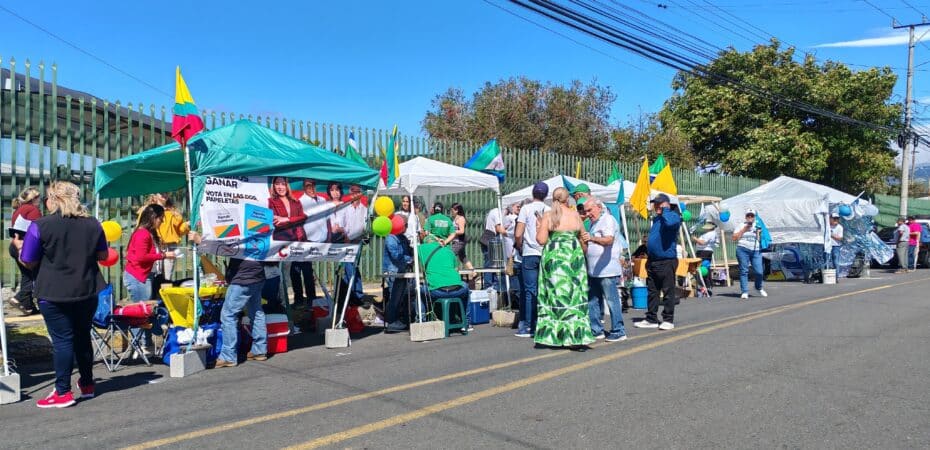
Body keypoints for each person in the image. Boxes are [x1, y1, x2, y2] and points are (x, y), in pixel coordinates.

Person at [19, 181, 108, 408]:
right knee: (83, 337)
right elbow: (102, 255)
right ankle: (87, 384)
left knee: (62, 341)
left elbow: (28, 260)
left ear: (55, 199)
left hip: (54, 291)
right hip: (87, 289)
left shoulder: (40, 225)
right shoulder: (93, 224)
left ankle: (63, 392)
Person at [534, 187, 595, 350]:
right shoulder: (575, 215)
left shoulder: (548, 216)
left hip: (554, 259)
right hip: (573, 258)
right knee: (575, 294)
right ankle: (576, 336)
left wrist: (539, 227)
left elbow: (541, 240)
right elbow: (583, 238)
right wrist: (581, 249)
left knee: (554, 294)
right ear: (567, 199)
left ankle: (553, 335)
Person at [580, 198, 626, 342]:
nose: (588, 214)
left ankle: (619, 330)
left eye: (590, 210)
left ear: (599, 207)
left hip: (607, 270)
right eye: (586, 211)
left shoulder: (607, 220)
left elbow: (609, 240)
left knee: (612, 301)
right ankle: (596, 330)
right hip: (594, 270)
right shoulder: (593, 223)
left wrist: (592, 238)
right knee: (593, 300)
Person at [634, 194, 681, 331]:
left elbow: (670, 223)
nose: (656, 206)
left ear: (666, 204)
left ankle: (668, 319)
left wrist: (665, 209)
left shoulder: (673, 216)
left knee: (668, 291)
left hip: (666, 261)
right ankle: (651, 318)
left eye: (659, 204)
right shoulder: (657, 219)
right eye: (655, 204)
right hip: (653, 261)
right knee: (652, 292)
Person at [215, 255, 268, 367]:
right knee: (256, 312)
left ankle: (228, 356)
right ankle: (259, 350)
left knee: (228, 315)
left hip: (242, 278)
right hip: (258, 275)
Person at [513, 182, 551, 338]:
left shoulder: (526, 209)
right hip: (545, 251)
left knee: (529, 290)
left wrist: (519, 245)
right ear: (546, 195)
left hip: (529, 252)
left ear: (533, 193)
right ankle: (543, 322)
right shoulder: (549, 210)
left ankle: (528, 325)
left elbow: (518, 233)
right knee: (544, 289)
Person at [418, 236, 471, 332]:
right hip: (456, 290)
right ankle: (466, 323)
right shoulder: (448, 250)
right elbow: (456, 269)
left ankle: (421, 321)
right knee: (466, 287)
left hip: (437, 291)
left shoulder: (420, 248)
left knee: (419, 290)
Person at [125, 204, 176, 302]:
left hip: (145, 275)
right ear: (153, 217)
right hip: (138, 277)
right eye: (161, 218)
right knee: (143, 307)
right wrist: (164, 255)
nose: (162, 221)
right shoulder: (142, 233)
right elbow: (142, 257)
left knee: (148, 306)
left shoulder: (149, 233)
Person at [292, 179, 328, 305]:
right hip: (304, 240)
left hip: (321, 240)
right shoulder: (300, 202)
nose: (311, 188)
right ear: (304, 188)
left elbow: (327, 219)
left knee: (307, 270)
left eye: (313, 186)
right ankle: (300, 298)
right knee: (298, 269)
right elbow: (297, 221)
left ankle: (311, 298)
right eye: (308, 186)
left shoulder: (322, 200)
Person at [140, 193, 190, 281]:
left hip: (170, 247)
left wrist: (187, 224)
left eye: (166, 192)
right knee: (153, 275)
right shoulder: (148, 210)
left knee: (167, 277)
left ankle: (164, 289)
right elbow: (141, 227)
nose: (164, 194)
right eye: (161, 192)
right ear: (155, 195)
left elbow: (178, 231)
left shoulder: (173, 212)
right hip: (153, 245)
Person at [8, 187, 42, 315]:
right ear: (33, 199)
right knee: (36, 275)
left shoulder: (18, 210)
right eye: (38, 197)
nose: (40, 200)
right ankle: (19, 298)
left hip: (14, 245)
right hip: (24, 246)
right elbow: (38, 229)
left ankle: (28, 306)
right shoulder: (33, 210)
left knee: (27, 275)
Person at [338, 184, 368, 303]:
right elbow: (341, 225)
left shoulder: (364, 209)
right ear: (350, 193)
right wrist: (346, 237)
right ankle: (353, 294)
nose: (355, 194)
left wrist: (359, 237)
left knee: (352, 267)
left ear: (360, 193)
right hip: (346, 242)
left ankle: (353, 294)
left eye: (357, 192)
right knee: (349, 268)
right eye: (353, 192)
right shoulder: (345, 208)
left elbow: (365, 227)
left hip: (358, 242)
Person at [383, 220, 413, 332]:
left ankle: (397, 319)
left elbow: (408, 251)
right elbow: (396, 255)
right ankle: (392, 321)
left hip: (402, 270)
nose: (407, 227)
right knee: (394, 297)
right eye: (405, 225)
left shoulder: (402, 237)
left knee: (400, 297)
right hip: (393, 271)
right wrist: (409, 259)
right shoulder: (391, 238)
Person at [732, 208, 768, 299]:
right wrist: (744, 229)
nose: (750, 217)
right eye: (748, 215)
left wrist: (759, 234)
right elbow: (734, 238)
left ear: (755, 217)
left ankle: (758, 287)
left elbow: (762, 239)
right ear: (746, 216)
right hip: (743, 249)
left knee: (759, 271)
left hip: (756, 250)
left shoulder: (758, 225)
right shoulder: (741, 225)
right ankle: (744, 291)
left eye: (752, 215)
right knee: (744, 271)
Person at [268, 176, 307, 242]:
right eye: (277, 184)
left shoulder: (296, 201)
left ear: (287, 186)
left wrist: (287, 219)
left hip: (300, 238)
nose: (280, 187)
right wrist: (296, 219)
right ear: (273, 186)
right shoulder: (271, 201)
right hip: (281, 240)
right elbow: (277, 223)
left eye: (283, 184)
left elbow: (304, 217)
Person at [479, 205, 507, 290]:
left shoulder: (495, 212)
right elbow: (498, 228)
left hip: (488, 238)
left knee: (493, 264)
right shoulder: (497, 212)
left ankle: (494, 285)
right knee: (490, 263)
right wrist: (509, 233)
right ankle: (489, 286)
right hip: (490, 238)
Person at [444, 203, 474, 271]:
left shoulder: (461, 219)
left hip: (459, 241)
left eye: (452, 210)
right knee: (463, 257)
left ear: (457, 210)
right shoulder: (455, 218)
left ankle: (453, 270)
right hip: (456, 241)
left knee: (450, 254)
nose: (451, 212)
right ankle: (473, 272)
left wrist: (453, 232)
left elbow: (462, 231)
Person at [692, 223, 718, 293]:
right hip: (705, 251)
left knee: (702, 268)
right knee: (705, 267)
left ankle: (706, 285)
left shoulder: (710, 234)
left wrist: (695, 239)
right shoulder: (712, 234)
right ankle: (707, 285)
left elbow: (702, 242)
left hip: (704, 252)